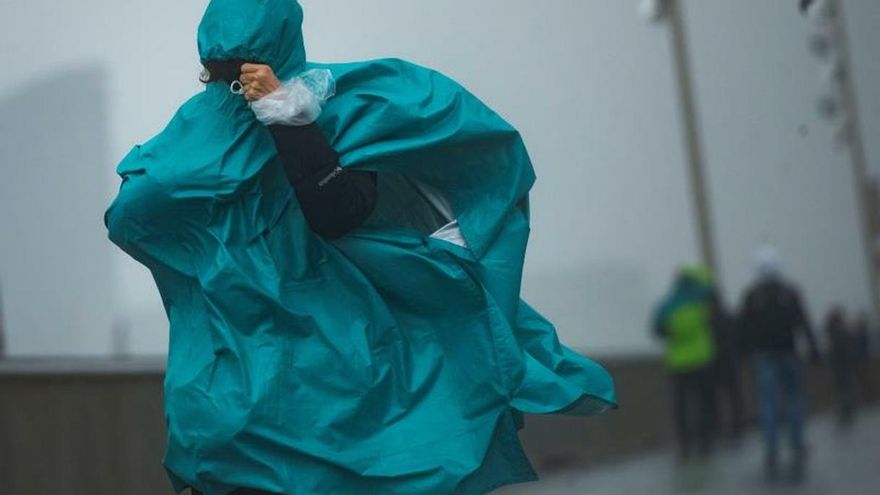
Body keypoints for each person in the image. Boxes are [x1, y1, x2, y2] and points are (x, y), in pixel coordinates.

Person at [104, 1, 616, 494]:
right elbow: (340, 211)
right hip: (324, 392)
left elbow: (129, 221)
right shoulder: (334, 110)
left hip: (227, 402)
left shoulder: (185, 148)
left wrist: (278, 126)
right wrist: (286, 121)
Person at [739, 247, 819, 482]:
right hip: (788, 352)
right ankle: (796, 440)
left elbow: (743, 328)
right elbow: (803, 320)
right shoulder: (790, 292)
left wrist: (743, 353)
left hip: (763, 356)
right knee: (794, 397)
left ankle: (771, 446)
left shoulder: (751, 296)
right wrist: (813, 347)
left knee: (768, 401)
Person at [653, 266, 719, 460]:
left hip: (678, 361)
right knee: (704, 401)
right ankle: (705, 440)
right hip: (702, 358)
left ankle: (685, 444)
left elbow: (657, 328)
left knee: (681, 406)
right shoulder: (701, 300)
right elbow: (712, 292)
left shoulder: (667, 305)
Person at [825, 306, 855, 426]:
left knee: (841, 388)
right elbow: (848, 346)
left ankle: (844, 410)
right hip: (843, 364)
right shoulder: (841, 330)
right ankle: (846, 409)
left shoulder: (832, 331)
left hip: (837, 365)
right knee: (845, 387)